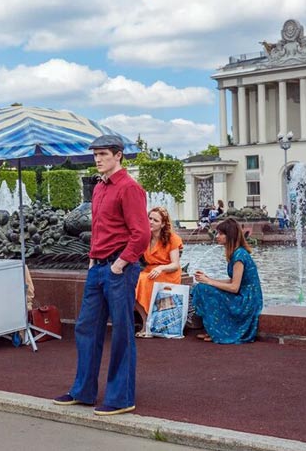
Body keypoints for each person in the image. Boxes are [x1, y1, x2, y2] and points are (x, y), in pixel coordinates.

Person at [53, 135, 150, 416]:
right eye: (95, 154)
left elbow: (141, 234)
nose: (97, 159)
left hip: (118, 269)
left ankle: (121, 398)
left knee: (121, 332)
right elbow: (101, 230)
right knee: (86, 328)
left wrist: (120, 264)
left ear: (119, 155)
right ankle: (83, 391)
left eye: (103, 154)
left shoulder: (130, 188)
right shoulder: (99, 188)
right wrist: (94, 260)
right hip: (98, 268)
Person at [192, 217, 263, 344]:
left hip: (246, 300)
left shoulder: (239, 256)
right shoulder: (236, 253)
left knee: (203, 289)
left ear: (229, 236)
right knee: (202, 287)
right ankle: (213, 330)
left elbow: (234, 287)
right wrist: (208, 279)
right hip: (243, 295)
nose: (217, 236)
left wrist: (209, 282)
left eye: (220, 233)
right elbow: (233, 281)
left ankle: (217, 332)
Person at [134, 206, 183, 338]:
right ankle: (146, 320)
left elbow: (175, 264)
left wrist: (161, 268)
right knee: (131, 280)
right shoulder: (145, 237)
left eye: (155, 220)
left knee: (142, 280)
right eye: (149, 218)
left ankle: (147, 325)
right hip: (150, 271)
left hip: (168, 272)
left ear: (162, 224)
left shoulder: (172, 238)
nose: (150, 222)